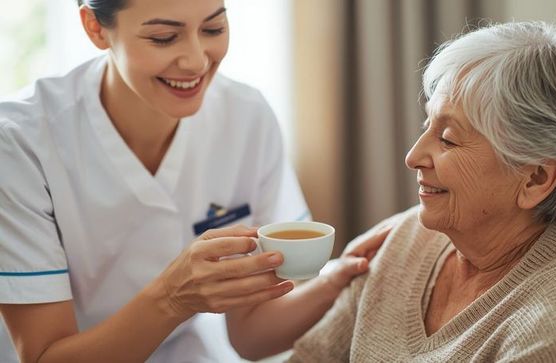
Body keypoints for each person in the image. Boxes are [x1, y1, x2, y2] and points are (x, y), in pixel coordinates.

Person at [0, 1, 387, 362]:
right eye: (164, 38)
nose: (196, 60)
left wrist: (337, 282)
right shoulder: (21, 142)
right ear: (95, 28)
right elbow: (43, 356)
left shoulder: (246, 115)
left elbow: (250, 336)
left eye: (213, 28)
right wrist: (172, 299)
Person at [288, 21, 556, 362]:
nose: (412, 157)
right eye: (428, 124)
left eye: (448, 139)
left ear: (535, 179)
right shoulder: (408, 238)